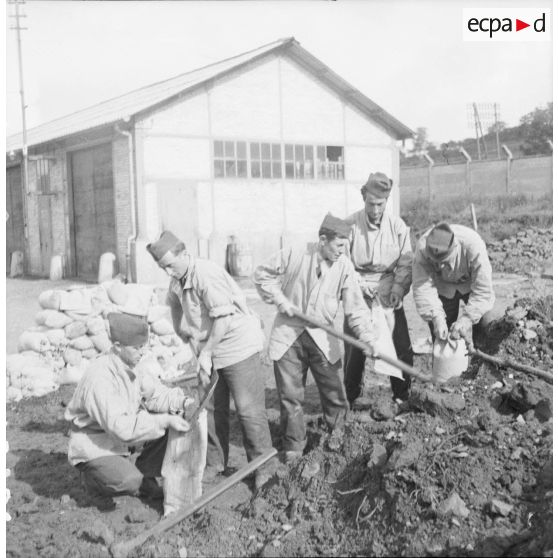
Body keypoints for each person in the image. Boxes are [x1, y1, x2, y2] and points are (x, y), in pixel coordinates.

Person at [146, 231, 274, 489]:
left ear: (184, 254)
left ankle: (264, 468)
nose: (168, 272)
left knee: (248, 410)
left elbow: (223, 320)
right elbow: (175, 306)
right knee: (212, 409)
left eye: (170, 265)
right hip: (211, 349)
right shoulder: (177, 280)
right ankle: (216, 463)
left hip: (237, 346)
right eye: (163, 268)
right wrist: (188, 337)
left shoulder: (205, 274)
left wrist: (205, 353)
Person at [253, 214, 376, 463]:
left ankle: (339, 435)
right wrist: (281, 300)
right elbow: (261, 276)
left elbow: (356, 308)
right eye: (339, 245)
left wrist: (367, 337)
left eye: (346, 245)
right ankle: (294, 446)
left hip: (322, 336)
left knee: (334, 390)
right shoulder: (295, 253)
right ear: (322, 240)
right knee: (290, 396)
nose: (343, 251)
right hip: (289, 334)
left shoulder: (344, 266)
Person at [65, 312, 191, 501]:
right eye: (137, 348)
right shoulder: (100, 378)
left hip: (121, 440)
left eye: (143, 347)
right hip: (97, 445)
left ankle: (144, 473)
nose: (142, 352)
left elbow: (156, 394)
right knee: (130, 481)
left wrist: (183, 402)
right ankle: (93, 479)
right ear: (117, 347)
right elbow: (120, 428)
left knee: (175, 419)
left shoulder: (133, 365)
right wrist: (163, 421)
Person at [344, 172, 414, 407]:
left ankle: (402, 395)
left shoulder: (397, 226)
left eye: (380, 204)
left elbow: (406, 262)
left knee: (401, 344)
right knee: (355, 347)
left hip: (388, 288)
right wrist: (357, 285)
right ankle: (351, 396)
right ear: (363, 198)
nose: (375, 210)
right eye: (371, 204)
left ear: (387, 202)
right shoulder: (350, 225)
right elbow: (342, 263)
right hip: (357, 289)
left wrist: (398, 289)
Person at [413, 222, 495, 344]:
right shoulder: (422, 248)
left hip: (470, 284)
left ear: (455, 248)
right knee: (441, 336)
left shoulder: (473, 245)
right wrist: (436, 318)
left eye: (444, 262)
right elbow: (422, 287)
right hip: (443, 287)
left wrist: (466, 319)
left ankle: (480, 357)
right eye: (436, 262)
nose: (440, 266)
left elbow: (483, 290)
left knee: (486, 326)